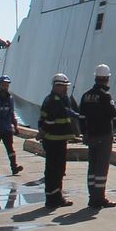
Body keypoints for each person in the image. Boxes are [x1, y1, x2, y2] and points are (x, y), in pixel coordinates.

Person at [37, 73, 83, 208]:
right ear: (57, 86)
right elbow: (50, 120)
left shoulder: (55, 99)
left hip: (57, 139)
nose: (66, 89)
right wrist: (43, 132)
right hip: (55, 140)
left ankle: (53, 197)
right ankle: (55, 199)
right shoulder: (54, 101)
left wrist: (79, 116)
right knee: (55, 170)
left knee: (54, 170)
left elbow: (67, 112)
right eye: (64, 87)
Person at [78, 64, 116, 208]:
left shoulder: (86, 95)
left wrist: (84, 133)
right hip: (104, 135)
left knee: (92, 167)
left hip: (91, 135)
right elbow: (114, 115)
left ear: (96, 78)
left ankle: (92, 196)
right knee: (101, 168)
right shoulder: (105, 95)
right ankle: (99, 198)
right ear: (107, 79)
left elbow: (81, 117)